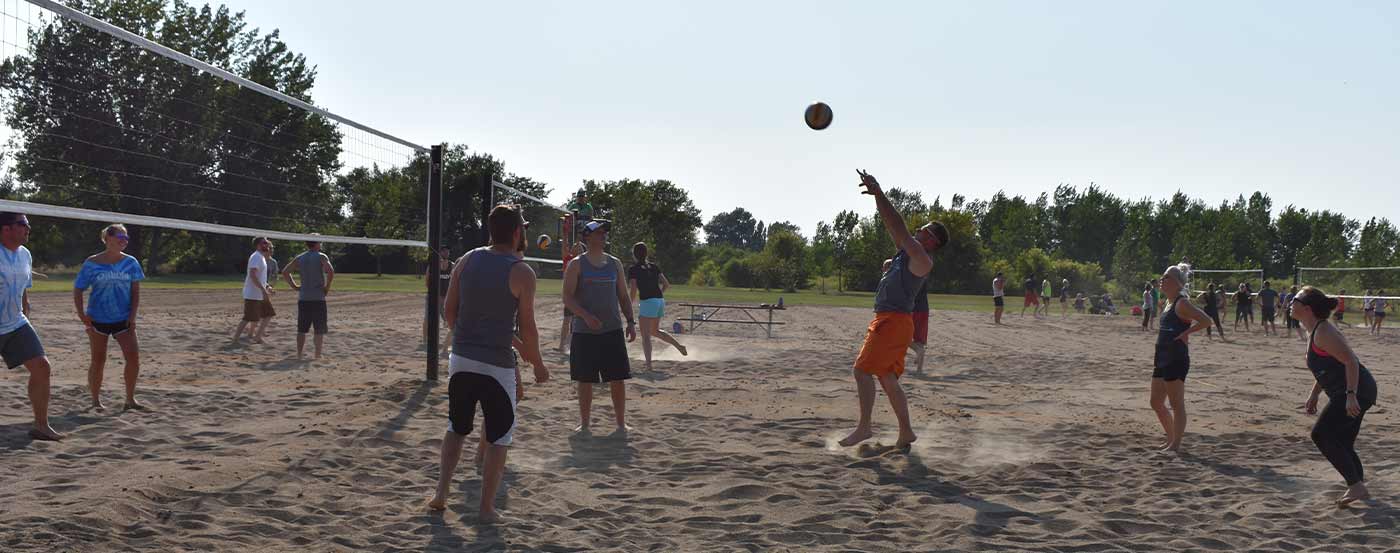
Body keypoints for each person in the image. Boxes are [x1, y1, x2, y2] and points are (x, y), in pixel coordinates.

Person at [428, 205, 549, 522]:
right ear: (517, 232)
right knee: (499, 437)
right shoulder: (522, 271)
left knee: (457, 427)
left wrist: (470, 337)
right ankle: (486, 508)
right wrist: (537, 364)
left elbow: (450, 313)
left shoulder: (466, 260)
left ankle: (441, 493)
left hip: (462, 359)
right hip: (497, 365)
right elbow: (528, 326)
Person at [837, 170, 947, 449]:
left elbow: (896, 225)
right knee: (886, 377)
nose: (918, 230)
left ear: (932, 240)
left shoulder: (922, 257)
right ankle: (906, 432)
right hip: (891, 320)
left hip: (893, 322)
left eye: (924, 229)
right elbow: (891, 226)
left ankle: (864, 428)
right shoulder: (906, 253)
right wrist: (878, 198)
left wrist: (879, 193)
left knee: (862, 371)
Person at [1290, 286, 1378, 506]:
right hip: (1354, 389)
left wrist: (1351, 395)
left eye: (1295, 300)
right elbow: (1328, 367)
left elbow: (1351, 361)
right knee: (1343, 440)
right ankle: (1358, 483)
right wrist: (1314, 394)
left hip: (1356, 389)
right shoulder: (1315, 330)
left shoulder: (1324, 332)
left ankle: (1356, 486)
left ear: (1307, 308)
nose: (1291, 303)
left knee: (1321, 434)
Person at [562, 219, 637, 434]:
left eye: (605, 232)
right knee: (585, 379)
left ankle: (621, 423)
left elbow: (623, 296)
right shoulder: (577, 264)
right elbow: (567, 297)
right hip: (585, 331)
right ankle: (585, 424)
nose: (604, 235)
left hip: (612, 329)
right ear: (587, 236)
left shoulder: (615, 263)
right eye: (599, 232)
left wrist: (630, 322)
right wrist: (585, 316)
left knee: (617, 378)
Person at [0, 213, 62, 440]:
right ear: (6, 229)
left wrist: (26, 306)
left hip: (16, 321)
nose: (28, 229)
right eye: (23, 225)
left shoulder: (25, 254)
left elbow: (24, 284)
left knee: (42, 367)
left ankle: (41, 426)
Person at [73, 223, 146, 411]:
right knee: (98, 360)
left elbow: (136, 291)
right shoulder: (92, 262)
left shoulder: (131, 262)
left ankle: (130, 400)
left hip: (123, 319)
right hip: (97, 318)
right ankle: (95, 401)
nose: (124, 241)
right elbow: (78, 289)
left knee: (133, 358)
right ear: (108, 239)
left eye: (126, 238)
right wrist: (82, 315)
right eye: (120, 237)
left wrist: (133, 316)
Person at [1149, 264, 1211, 452]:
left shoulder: (1182, 303)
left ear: (1176, 283)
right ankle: (1170, 438)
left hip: (1176, 357)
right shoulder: (1167, 302)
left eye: (1166, 277)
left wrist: (1187, 332)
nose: (1161, 280)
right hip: (1161, 356)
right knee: (1155, 402)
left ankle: (1175, 444)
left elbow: (1206, 320)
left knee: (1177, 404)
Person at [627, 242, 687, 371]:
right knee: (654, 331)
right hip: (659, 300)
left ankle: (648, 365)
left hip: (648, 302)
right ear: (646, 253)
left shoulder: (633, 269)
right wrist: (657, 295)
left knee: (645, 336)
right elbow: (666, 284)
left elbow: (633, 290)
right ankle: (679, 346)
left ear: (634, 255)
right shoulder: (653, 266)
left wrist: (629, 303)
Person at [283, 238, 335, 360]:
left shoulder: (300, 257)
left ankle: (299, 354)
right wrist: (327, 287)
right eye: (320, 241)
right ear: (316, 243)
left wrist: (295, 286)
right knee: (319, 329)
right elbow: (331, 271)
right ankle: (317, 355)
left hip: (304, 298)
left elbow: (285, 272)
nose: (321, 243)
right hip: (318, 298)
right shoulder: (321, 256)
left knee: (301, 329)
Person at [231, 237, 274, 344]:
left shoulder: (261, 257)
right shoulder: (256, 257)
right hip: (253, 294)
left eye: (267, 243)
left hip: (260, 293)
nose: (267, 245)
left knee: (268, 314)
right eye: (265, 243)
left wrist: (267, 287)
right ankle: (235, 339)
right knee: (248, 317)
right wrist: (263, 290)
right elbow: (252, 276)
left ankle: (256, 336)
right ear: (258, 245)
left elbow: (260, 277)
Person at [423, 246, 453, 346]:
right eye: (444, 251)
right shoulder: (432, 266)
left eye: (447, 251)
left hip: (445, 298)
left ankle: (447, 344)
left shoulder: (452, 265)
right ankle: (425, 340)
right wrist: (433, 294)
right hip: (433, 297)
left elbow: (454, 282)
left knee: (449, 320)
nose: (446, 253)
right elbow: (427, 281)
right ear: (439, 253)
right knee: (428, 318)